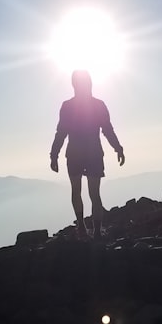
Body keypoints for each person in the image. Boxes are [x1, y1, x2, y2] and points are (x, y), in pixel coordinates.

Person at [50, 69, 125, 239]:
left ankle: (82, 228)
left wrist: (54, 155)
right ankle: (97, 231)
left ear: (73, 84)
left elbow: (60, 133)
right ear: (89, 83)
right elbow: (108, 130)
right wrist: (117, 148)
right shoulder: (98, 105)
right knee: (94, 193)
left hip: (74, 154)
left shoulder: (67, 106)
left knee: (76, 191)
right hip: (94, 153)